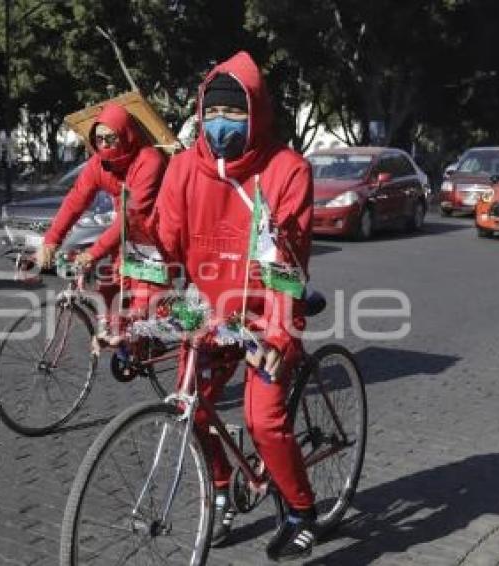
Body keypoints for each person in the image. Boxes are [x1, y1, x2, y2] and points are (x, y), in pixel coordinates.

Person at [151, 51, 316, 560]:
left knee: (263, 420)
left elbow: (288, 262)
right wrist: (139, 313)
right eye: (213, 114)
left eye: (235, 113)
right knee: (191, 409)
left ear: (257, 112)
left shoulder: (288, 171)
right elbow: (163, 254)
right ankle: (219, 488)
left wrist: (279, 336)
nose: (221, 124)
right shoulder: (181, 168)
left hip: (264, 317)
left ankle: (302, 509)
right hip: (207, 312)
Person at [35, 102, 167, 336]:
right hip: (124, 241)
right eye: (99, 139)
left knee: (141, 314)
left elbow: (130, 215)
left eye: (110, 138)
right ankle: (118, 341)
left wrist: (93, 253)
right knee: (109, 295)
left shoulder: (149, 160)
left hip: (155, 241)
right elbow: (76, 200)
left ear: (125, 135)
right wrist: (51, 240)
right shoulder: (98, 164)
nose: (104, 145)